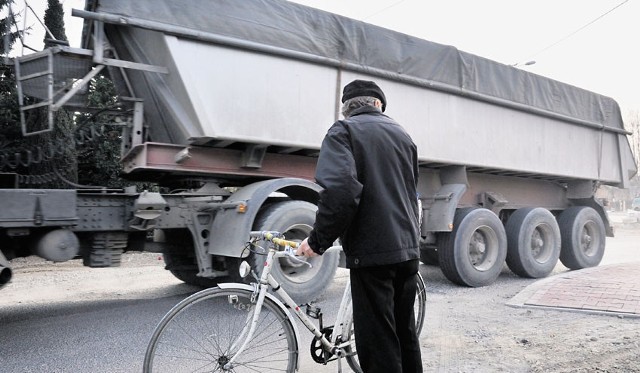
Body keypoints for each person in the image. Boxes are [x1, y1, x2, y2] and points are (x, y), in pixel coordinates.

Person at [296, 79, 423, 373]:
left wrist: (317, 242)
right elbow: (410, 189)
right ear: (377, 104)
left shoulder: (343, 131)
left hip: (373, 251)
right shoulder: (403, 134)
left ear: (346, 109)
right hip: (408, 249)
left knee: (379, 343)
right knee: (405, 333)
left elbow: (341, 192)